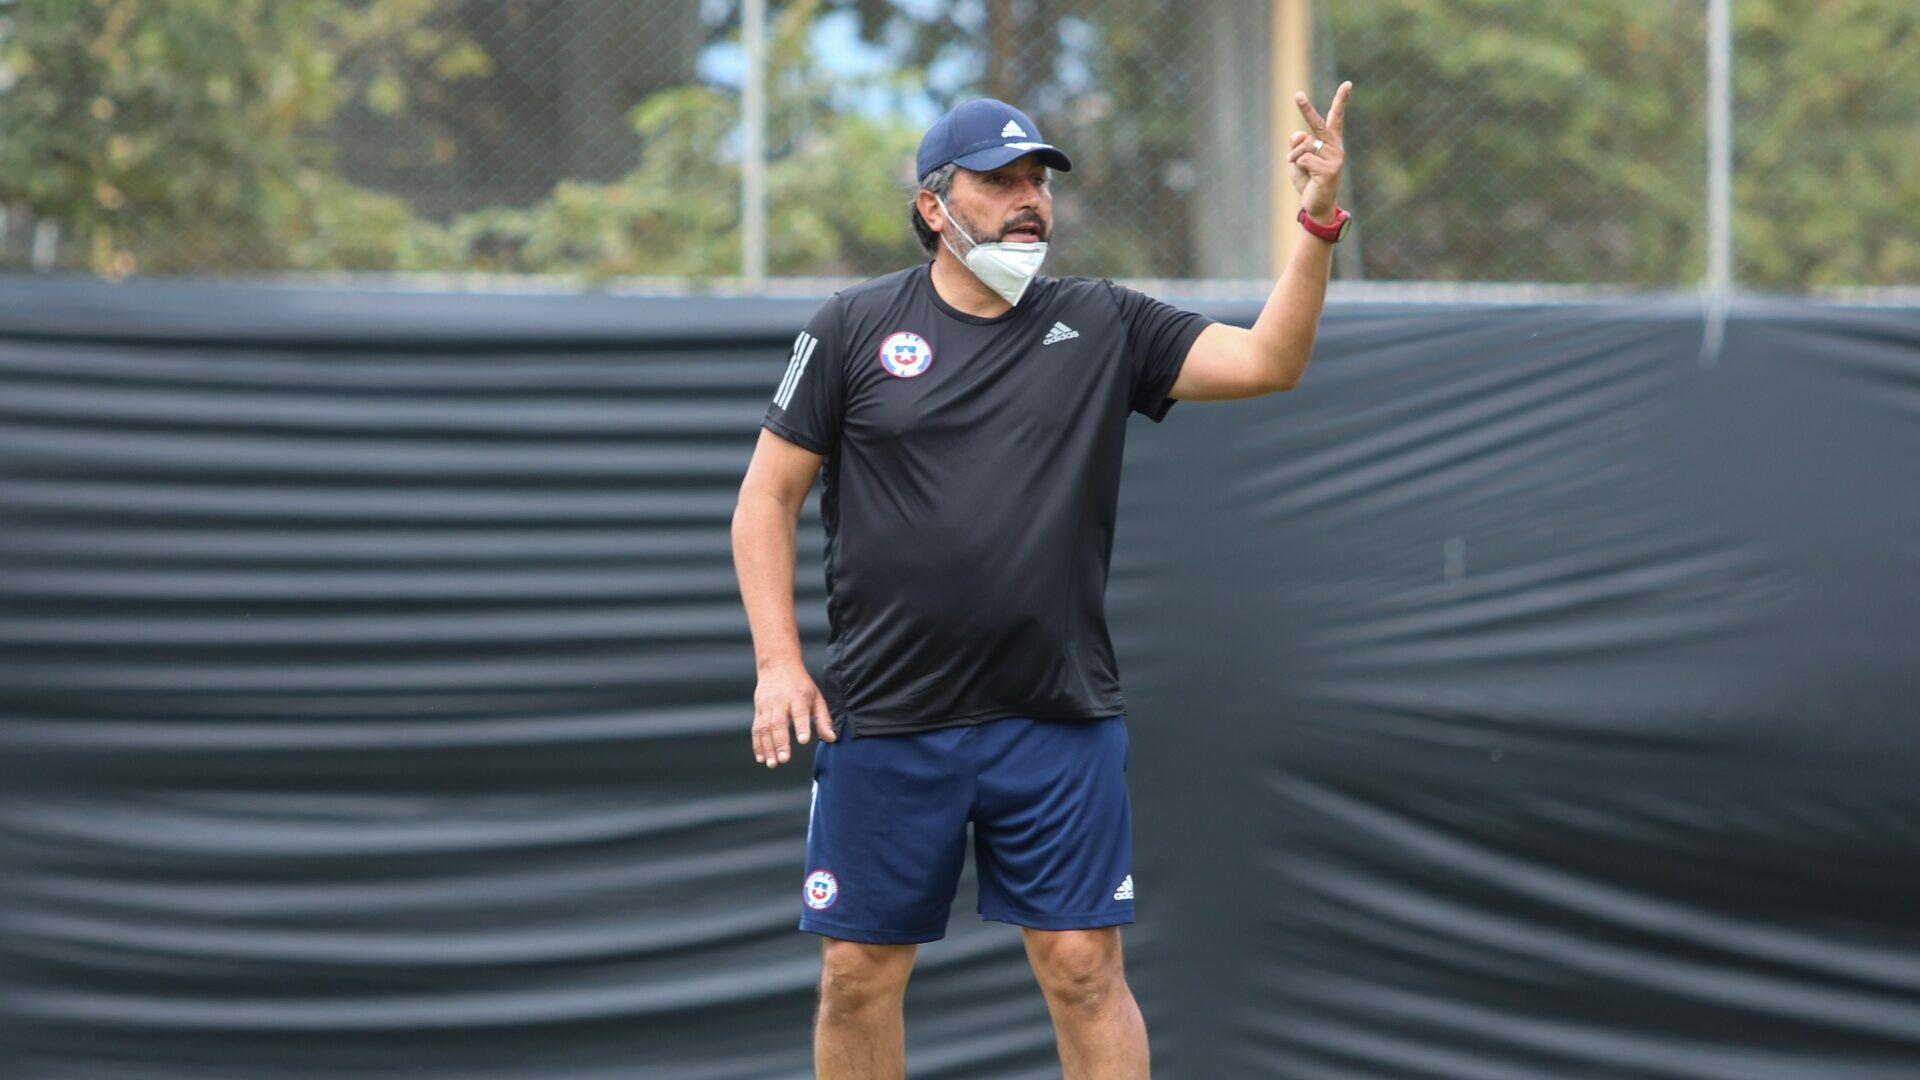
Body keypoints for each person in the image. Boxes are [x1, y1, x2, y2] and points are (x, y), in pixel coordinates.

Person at [732, 83, 1353, 1080]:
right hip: (890, 717)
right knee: (856, 971)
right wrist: (778, 664)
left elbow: (1270, 361)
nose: (1029, 199)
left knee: (1082, 968)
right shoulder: (851, 328)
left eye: (1039, 181)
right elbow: (764, 501)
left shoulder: (1102, 322)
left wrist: (1318, 220)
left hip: (1054, 716)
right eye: (1000, 181)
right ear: (935, 205)